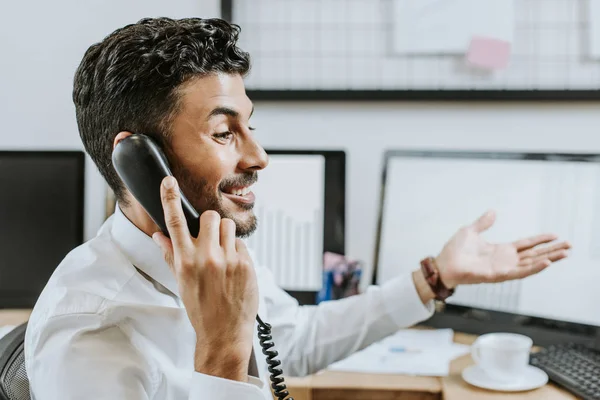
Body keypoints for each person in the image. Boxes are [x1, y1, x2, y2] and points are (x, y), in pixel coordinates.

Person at [24, 17, 571, 400]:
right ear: (139, 161)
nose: (258, 156)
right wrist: (221, 351)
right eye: (223, 132)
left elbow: (291, 342)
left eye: (249, 125)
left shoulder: (221, 250)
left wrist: (434, 279)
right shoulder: (88, 335)